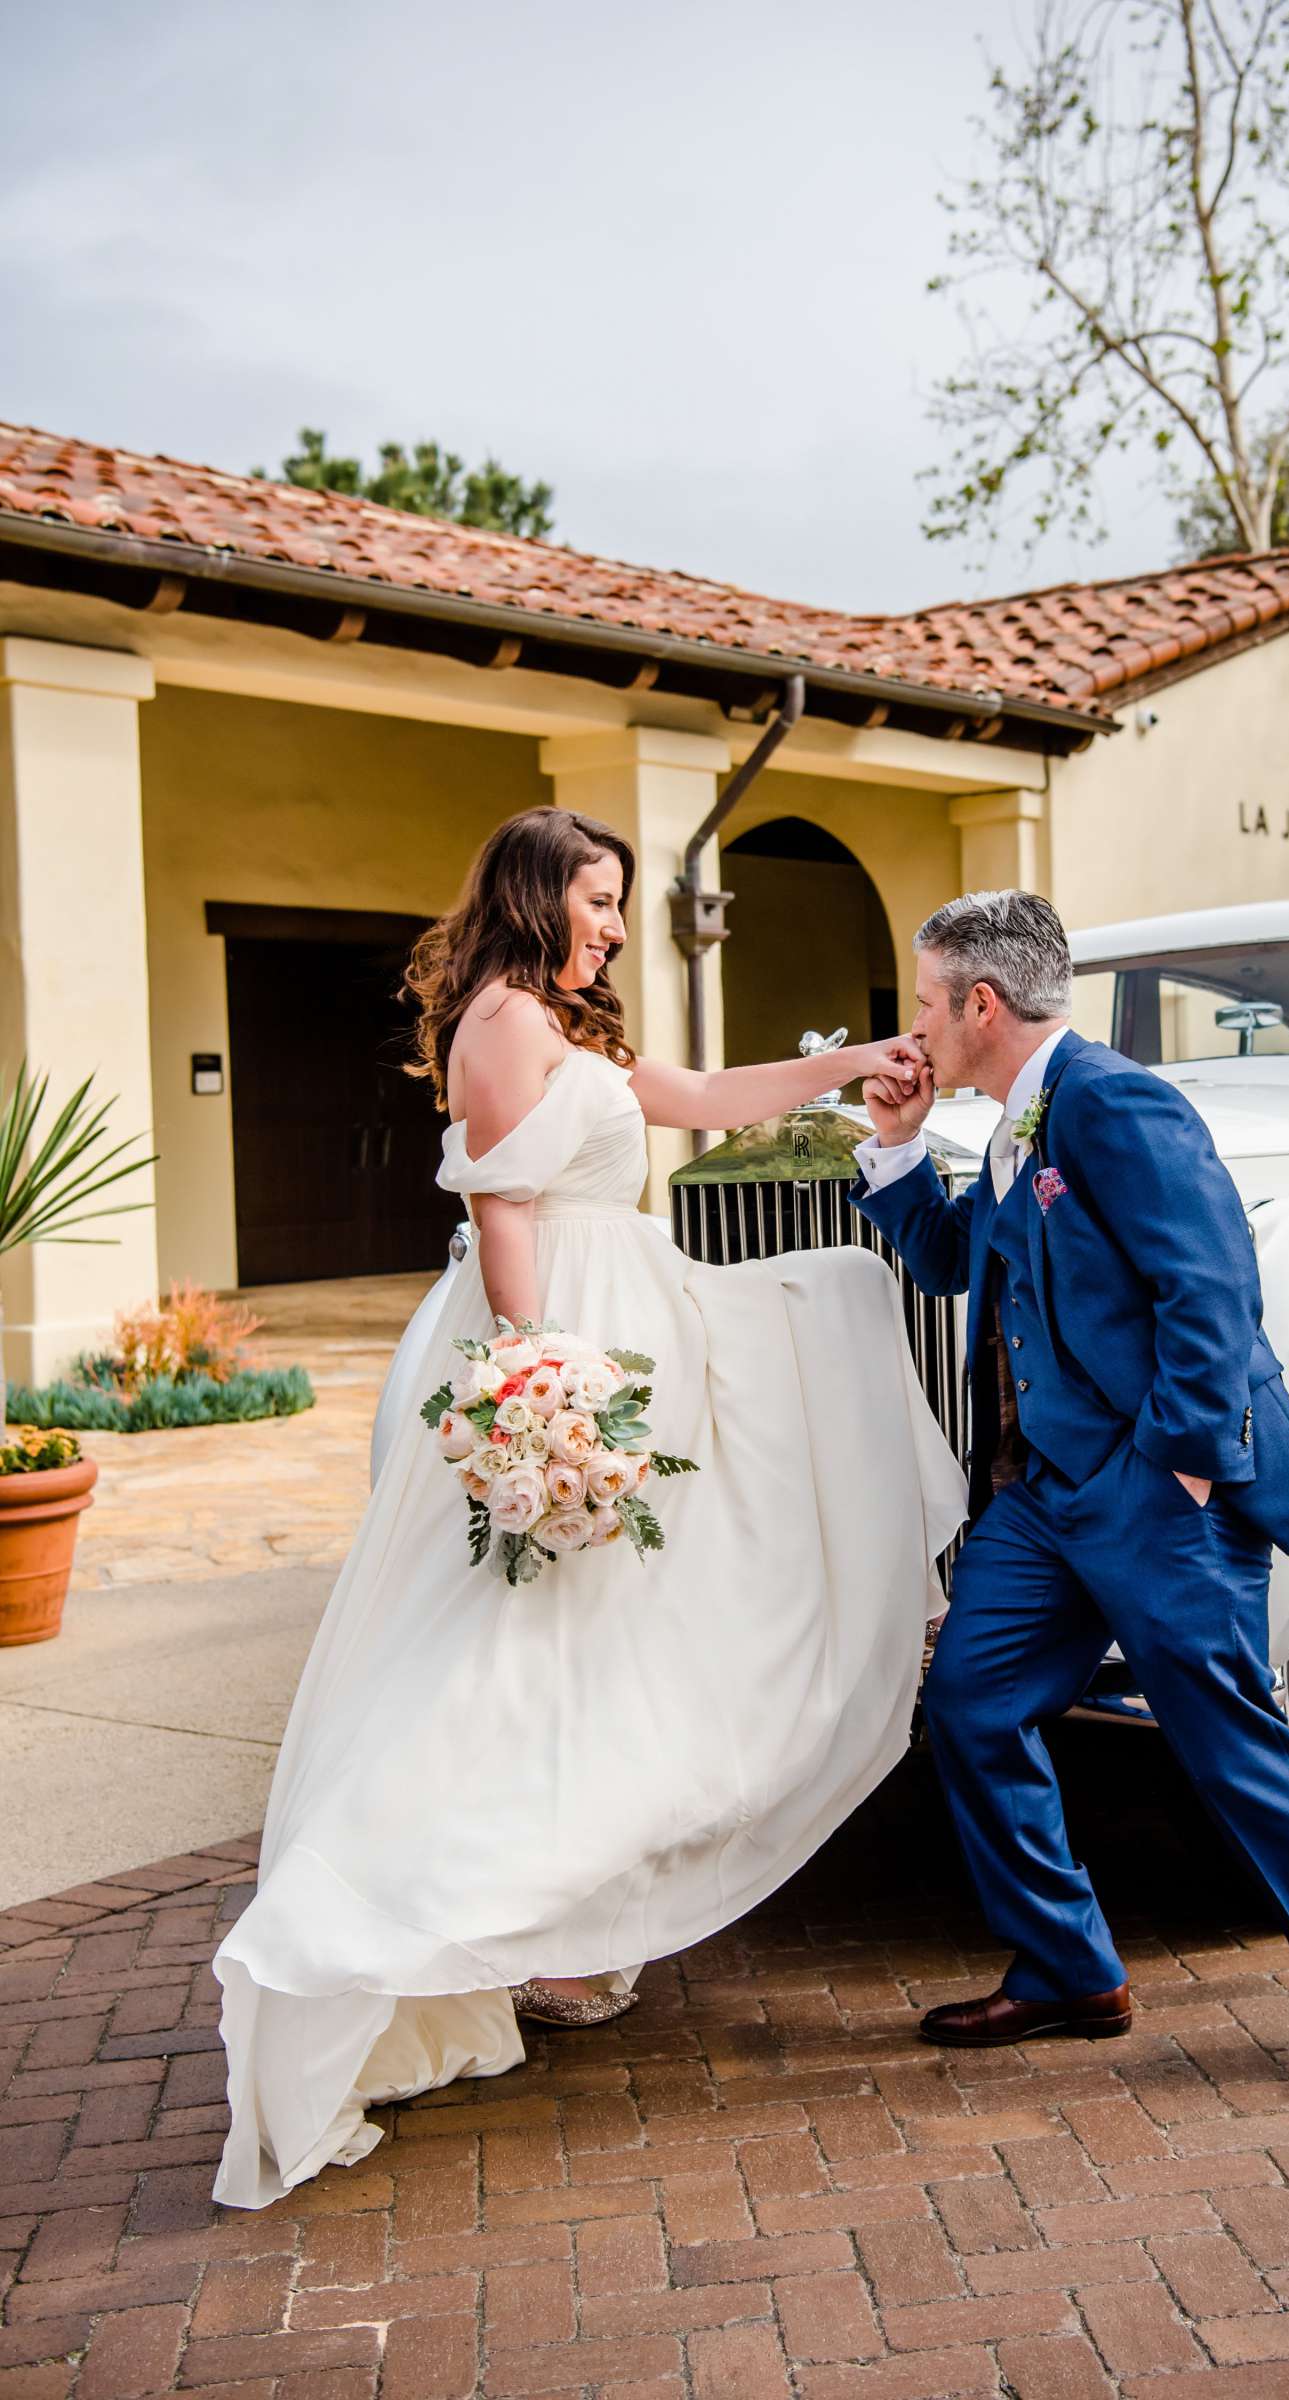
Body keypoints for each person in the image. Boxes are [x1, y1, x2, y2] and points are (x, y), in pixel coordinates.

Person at [209, 807, 966, 2210]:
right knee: (515, 1661)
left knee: (615, 1639)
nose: (614, 923)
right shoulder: (499, 1021)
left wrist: (848, 1064)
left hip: (630, 1315)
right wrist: (540, 1391)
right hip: (569, 1342)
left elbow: (690, 1097)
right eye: (598, 897)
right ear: (535, 894)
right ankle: (400, 1923)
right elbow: (504, 1216)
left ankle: (565, 1921)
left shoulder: (559, 1022)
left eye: (620, 901)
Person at [851, 888, 1289, 2104]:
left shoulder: (1117, 1102)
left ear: (981, 1003)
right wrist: (902, 1145)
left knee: (1229, 1748)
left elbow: (1213, 1284)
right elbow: (946, 1258)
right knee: (970, 1707)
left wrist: (1177, 1468)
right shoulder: (1021, 1123)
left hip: (1153, 1489)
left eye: (925, 1002)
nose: (912, 1026)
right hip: (1042, 1500)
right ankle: (1072, 1968)